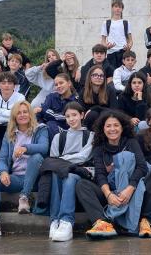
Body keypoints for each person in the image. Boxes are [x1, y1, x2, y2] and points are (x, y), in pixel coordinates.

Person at [76, 110, 151, 239]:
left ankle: (146, 222)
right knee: (81, 184)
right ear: (103, 129)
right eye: (108, 126)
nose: (112, 129)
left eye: (116, 125)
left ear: (122, 127)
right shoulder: (99, 147)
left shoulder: (131, 142)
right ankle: (102, 223)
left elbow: (142, 167)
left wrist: (129, 189)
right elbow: (100, 174)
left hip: (133, 189)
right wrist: (109, 195)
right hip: (111, 192)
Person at [0, 100, 49, 238]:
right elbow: (2, 158)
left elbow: (44, 148)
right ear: (14, 116)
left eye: (25, 112)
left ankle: (24, 197)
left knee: (36, 156)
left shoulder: (41, 129)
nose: (22, 115)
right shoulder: (10, 134)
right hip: (16, 178)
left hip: (35, 179)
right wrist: (3, 171)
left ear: (30, 114)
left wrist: (26, 148)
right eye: (18, 113)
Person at [48, 102, 94, 242]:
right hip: (61, 172)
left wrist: (63, 159)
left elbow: (83, 156)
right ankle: (54, 220)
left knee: (68, 176)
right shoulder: (59, 137)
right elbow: (53, 161)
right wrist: (62, 161)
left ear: (81, 115)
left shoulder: (90, 135)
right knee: (55, 173)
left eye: (74, 115)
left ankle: (66, 222)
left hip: (82, 173)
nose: (71, 119)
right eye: (68, 116)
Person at [36, 73, 78, 140]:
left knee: (51, 124)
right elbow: (40, 113)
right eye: (56, 85)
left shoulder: (75, 100)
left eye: (61, 83)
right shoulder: (51, 96)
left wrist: (44, 110)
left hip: (67, 132)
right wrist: (41, 123)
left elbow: (65, 117)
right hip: (47, 129)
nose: (58, 86)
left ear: (69, 83)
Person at [0, 72, 25, 140]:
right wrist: (2, 119)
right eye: (3, 83)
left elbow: (17, 114)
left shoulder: (20, 97)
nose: (7, 85)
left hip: (14, 127)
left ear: (14, 86)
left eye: (10, 83)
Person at [79, 66, 118, 131]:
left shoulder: (110, 90)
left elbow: (114, 110)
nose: (98, 77)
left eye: (101, 75)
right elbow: (81, 111)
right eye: (95, 75)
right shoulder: (83, 91)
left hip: (107, 121)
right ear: (90, 77)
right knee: (93, 114)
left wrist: (96, 108)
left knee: (100, 114)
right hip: (89, 122)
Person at [101, 0, 133, 69]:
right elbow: (103, 40)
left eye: (120, 7)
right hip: (111, 52)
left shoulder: (126, 23)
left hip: (123, 52)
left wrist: (129, 46)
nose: (118, 9)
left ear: (122, 9)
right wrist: (106, 47)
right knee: (112, 74)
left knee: (124, 74)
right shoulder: (106, 23)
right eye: (116, 6)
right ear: (112, 8)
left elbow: (130, 40)